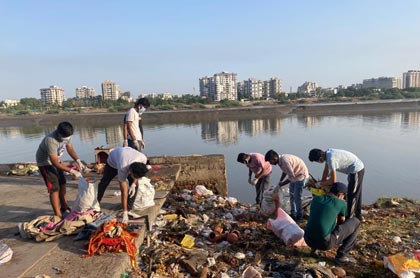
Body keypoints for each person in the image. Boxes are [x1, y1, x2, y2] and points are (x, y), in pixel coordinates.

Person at [36, 121, 85, 218]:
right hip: (45, 163)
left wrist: (78, 160)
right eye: (65, 137)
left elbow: (70, 149)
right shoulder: (51, 140)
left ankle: (64, 206)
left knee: (62, 183)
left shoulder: (67, 135)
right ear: (59, 133)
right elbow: (54, 162)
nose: (67, 139)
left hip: (57, 161)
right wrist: (72, 171)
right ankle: (57, 213)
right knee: (54, 188)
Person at [304, 182, 360, 264]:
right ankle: (341, 256)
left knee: (319, 221)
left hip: (308, 239)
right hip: (324, 243)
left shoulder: (316, 199)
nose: (344, 198)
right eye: (344, 196)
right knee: (356, 222)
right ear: (340, 194)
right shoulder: (340, 203)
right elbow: (342, 222)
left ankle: (314, 250)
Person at [308, 148, 365, 220]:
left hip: (356, 169)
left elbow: (333, 180)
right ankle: (358, 215)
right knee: (356, 193)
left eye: (317, 160)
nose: (318, 162)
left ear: (321, 157)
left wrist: (320, 184)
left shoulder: (331, 159)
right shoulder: (328, 153)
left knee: (352, 195)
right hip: (352, 171)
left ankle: (349, 218)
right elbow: (326, 170)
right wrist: (322, 183)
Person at [97, 147, 148, 223]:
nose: (135, 178)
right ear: (130, 171)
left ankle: (128, 209)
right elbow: (124, 192)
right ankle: (96, 204)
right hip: (112, 162)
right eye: (134, 176)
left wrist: (133, 184)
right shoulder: (123, 167)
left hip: (126, 156)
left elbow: (137, 175)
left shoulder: (143, 159)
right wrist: (124, 213)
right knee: (104, 183)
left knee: (135, 186)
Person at [265, 150, 309, 222]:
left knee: (297, 197)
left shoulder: (285, 161)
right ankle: (293, 213)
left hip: (301, 176)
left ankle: (299, 216)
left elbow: (291, 177)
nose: (270, 163)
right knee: (291, 195)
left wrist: (281, 184)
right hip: (295, 176)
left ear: (274, 158)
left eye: (270, 161)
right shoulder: (280, 161)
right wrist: (280, 180)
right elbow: (285, 171)